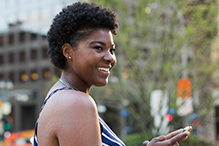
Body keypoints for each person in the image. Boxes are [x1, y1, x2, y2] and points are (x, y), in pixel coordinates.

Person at [33, 2, 190, 146]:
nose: (110, 58)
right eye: (98, 48)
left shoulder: (57, 97)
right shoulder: (76, 103)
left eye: (112, 50)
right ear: (68, 51)